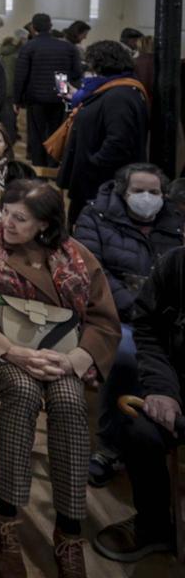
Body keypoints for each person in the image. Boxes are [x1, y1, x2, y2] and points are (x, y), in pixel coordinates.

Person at [0, 180, 120, 577]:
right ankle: (5, 515)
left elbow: (103, 319)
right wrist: (12, 351)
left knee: (68, 400)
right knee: (24, 391)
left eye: (19, 218)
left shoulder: (76, 257)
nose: (6, 223)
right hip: (0, 346)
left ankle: (69, 528)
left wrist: (73, 361)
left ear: (45, 224)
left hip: (61, 356)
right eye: (5, 212)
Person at [72, 163, 183, 489]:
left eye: (155, 192)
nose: (147, 198)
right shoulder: (96, 217)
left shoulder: (175, 223)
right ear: (123, 192)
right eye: (139, 191)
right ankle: (109, 447)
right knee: (127, 358)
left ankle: (159, 432)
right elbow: (93, 272)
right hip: (110, 314)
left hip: (163, 316)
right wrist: (136, 306)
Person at [91, 246, 185, 563]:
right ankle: (154, 525)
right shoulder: (175, 263)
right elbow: (149, 327)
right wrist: (163, 390)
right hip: (176, 385)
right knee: (140, 429)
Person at [58, 40, 150, 224]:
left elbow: (119, 141)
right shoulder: (114, 88)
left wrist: (93, 164)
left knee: (89, 227)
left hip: (100, 182)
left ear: (101, 64)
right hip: (95, 180)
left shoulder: (120, 94)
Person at [14, 13, 84, 167]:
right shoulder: (67, 47)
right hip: (60, 94)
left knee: (37, 133)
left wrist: (17, 99)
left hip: (36, 97)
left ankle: (39, 166)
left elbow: (21, 76)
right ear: (51, 26)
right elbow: (76, 73)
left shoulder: (29, 47)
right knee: (57, 131)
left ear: (33, 27)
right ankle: (53, 163)